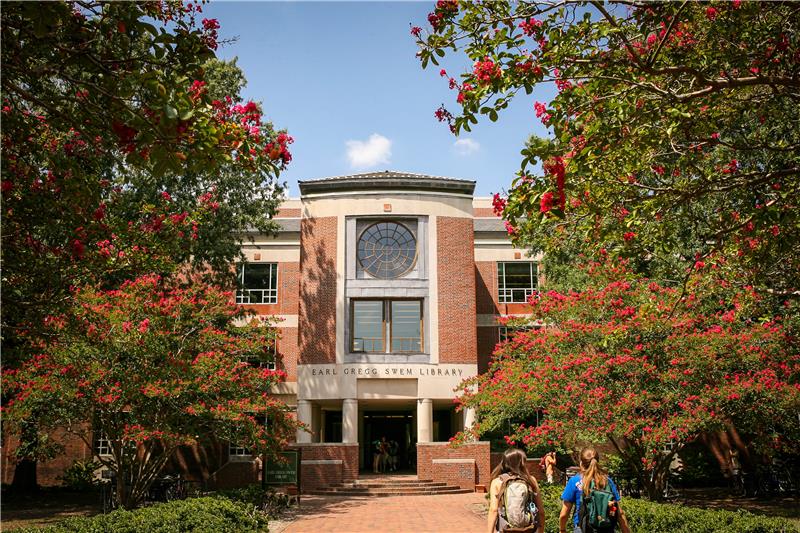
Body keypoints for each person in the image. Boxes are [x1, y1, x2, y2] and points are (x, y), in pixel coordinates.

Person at [559, 447, 630, 533]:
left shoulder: (574, 481)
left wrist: (562, 530)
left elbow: (564, 514)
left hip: (583, 529)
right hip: (606, 529)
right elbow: (620, 513)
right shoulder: (607, 481)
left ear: (581, 463)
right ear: (597, 461)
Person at [487, 448, 545, 533]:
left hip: (505, 529)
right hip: (528, 529)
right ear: (522, 463)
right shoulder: (531, 480)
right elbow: (541, 512)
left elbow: (493, 510)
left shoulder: (497, 482)